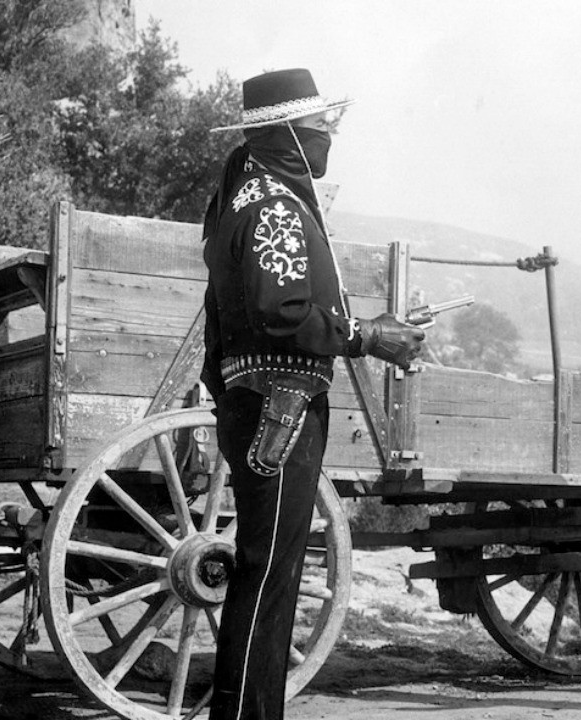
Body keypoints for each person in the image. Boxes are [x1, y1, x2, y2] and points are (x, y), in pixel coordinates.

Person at [200, 68, 425, 720]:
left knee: (269, 572)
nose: (329, 138)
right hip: (282, 404)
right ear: (287, 136)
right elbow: (282, 313)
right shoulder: (273, 206)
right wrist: (366, 335)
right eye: (320, 128)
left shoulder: (245, 198)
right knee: (268, 574)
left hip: (265, 402)